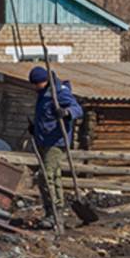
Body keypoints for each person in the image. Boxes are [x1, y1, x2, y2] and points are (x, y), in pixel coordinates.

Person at [28, 65, 82, 226]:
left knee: (45, 177)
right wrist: (35, 128)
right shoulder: (43, 93)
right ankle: (57, 212)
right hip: (43, 140)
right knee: (55, 176)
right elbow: (46, 117)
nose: (35, 87)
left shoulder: (59, 93)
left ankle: (53, 213)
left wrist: (66, 113)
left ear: (44, 81)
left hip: (56, 142)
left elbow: (77, 109)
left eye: (36, 84)